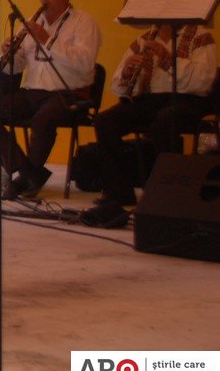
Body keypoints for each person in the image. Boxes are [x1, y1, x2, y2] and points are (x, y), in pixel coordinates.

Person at [0, 0, 102, 200]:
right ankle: (28, 172)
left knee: (44, 119)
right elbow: (16, 67)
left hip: (68, 93)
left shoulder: (83, 22)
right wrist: (11, 54)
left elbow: (84, 62)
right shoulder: (34, 21)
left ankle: (26, 177)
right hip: (33, 92)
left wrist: (47, 40)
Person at [80, 24, 216, 227]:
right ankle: (119, 192)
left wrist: (167, 59)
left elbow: (204, 81)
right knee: (105, 121)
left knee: (165, 121)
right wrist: (127, 72)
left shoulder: (200, 37)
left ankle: (166, 193)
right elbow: (119, 88)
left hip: (188, 100)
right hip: (149, 100)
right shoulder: (142, 40)